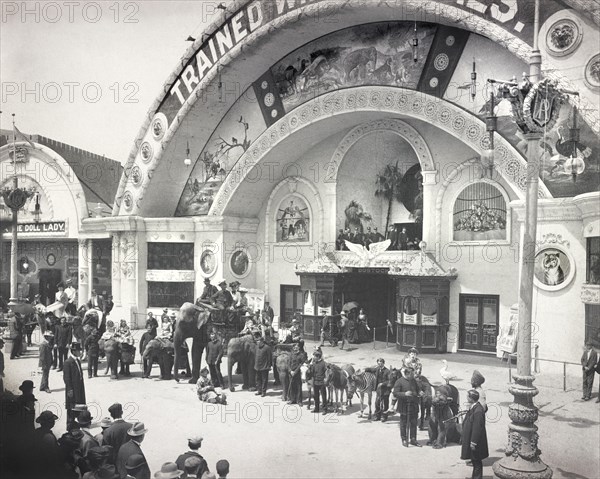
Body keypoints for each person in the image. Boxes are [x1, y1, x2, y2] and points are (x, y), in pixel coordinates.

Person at [461, 390, 489, 479]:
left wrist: (473, 442)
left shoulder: (478, 411)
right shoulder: (474, 407)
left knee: (477, 462)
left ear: (471, 398)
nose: (466, 397)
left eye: (467, 396)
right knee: (474, 461)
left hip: (476, 442)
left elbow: (477, 428)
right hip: (473, 440)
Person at [393, 366, 421, 448]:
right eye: (411, 374)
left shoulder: (413, 380)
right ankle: (404, 439)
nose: (413, 376)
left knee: (414, 423)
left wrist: (420, 392)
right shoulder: (399, 381)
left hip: (414, 404)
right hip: (404, 405)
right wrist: (404, 394)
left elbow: (417, 389)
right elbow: (395, 393)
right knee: (403, 423)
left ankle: (413, 439)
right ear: (406, 374)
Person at [63, 341, 86, 428]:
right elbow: (67, 378)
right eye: (78, 351)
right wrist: (70, 390)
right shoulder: (68, 362)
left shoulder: (77, 361)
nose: (80, 352)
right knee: (71, 408)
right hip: (72, 389)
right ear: (73, 351)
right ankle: (70, 425)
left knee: (79, 405)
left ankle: (80, 423)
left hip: (79, 387)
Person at [32, 410, 61, 478]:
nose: (54, 422)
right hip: (46, 471)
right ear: (49, 423)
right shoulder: (48, 437)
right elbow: (51, 457)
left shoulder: (36, 432)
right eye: (52, 420)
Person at [309, 350, 328, 414]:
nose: (314, 358)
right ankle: (316, 408)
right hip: (315, 382)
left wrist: (325, 379)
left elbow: (326, 372)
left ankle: (325, 409)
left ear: (318, 357)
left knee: (323, 396)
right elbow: (312, 373)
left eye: (314, 356)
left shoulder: (324, 363)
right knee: (316, 396)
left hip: (322, 382)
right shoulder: (314, 364)